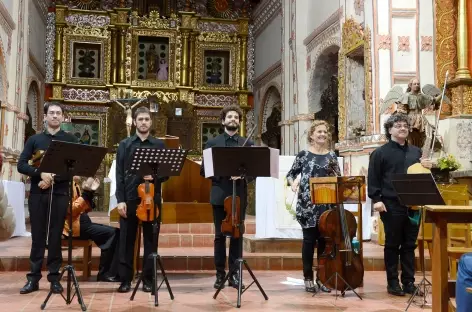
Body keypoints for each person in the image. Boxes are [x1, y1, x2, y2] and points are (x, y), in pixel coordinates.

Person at [367, 113, 433, 296]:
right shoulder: (380, 153)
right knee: (392, 244)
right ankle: (393, 282)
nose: (403, 128)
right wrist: (376, 200)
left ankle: (409, 282)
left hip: (412, 205)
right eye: (398, 126)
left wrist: (427, 166)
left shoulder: (416, 152)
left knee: (409, 245)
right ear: (390, 130)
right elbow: (373, 178)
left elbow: (421, 175)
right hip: (390, 203)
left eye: (405, 125)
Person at [17, 102, 78, 294]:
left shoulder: (70, 140)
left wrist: (51, 178)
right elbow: (21, 165)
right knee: (37, 237)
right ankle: (33, 278)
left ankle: (54, 278)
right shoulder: (34, 139)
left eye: (58, 113)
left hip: (59, 193)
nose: (54, 116)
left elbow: (74, 170)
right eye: (51, 113)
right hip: (38, 194)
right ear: (45, 117)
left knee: (54, 236)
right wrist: (38, 174)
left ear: (62, 117)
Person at [200, 105, 253, 290]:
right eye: (229, 117)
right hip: (220, 194)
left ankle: (235, 274)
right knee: (220, 236)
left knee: (237, 235)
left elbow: (254, 171)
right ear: (223, 121)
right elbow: (204, 170)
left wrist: (243, 176)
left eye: (236, 117)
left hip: (239, 195)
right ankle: (220, 274)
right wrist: (222, 172)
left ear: (239, 121)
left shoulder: (248, 144)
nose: (233, 119)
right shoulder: (212, 143)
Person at [115, 106, 168, 293]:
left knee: (151, 241)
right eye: (141, 119)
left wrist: (155, 176)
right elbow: (119, 174)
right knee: (126, 240)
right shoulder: (125, 145)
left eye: (147, 119)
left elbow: (166, 174)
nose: (144, 122)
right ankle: (126, 279)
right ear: (135, 122)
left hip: (152, 198)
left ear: (150, 122)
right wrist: (120, 200)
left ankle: (148, 279)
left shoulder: (159, 145)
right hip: (129, 198)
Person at [286, 120, 339, 293]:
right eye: (319, 132)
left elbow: (338, 177)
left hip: (326, 205)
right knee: (309, 242)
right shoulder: (303, 155)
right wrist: (293, 183)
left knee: (324, 242)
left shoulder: (331, 156)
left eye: (325, 132)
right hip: (308, 205)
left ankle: (322, 279)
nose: (322, 134)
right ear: (312, 135)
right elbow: (291, 174)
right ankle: (308, 277)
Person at [63, 177, 120, 282]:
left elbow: (86, 208)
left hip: (82, 223)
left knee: (115, 232)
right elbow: (70, 210)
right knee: (113, 233)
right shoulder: (66, 184)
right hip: (73, 227)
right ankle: (105, 273)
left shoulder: (75, 184)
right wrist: (87, 193)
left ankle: (110, 271)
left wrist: (91, 192)